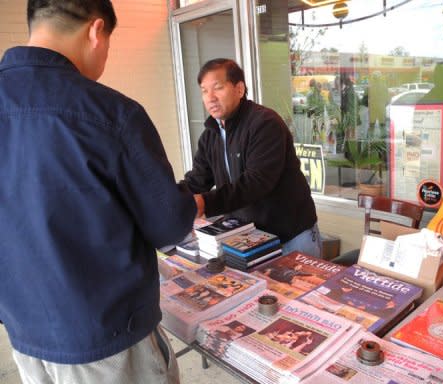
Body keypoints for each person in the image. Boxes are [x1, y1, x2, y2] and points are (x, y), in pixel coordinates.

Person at [0, 1, 197, 383]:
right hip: (109, 344)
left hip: (24, 336)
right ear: (95, 31)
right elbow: (170, 226)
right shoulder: (110, 113)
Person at [183, 58, 321, 257]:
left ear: (239, 89)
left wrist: (205, 202)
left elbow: (256, 182)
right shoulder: (210, 135)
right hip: (249, 240)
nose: (210, 97)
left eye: (218, 88)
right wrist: (171, 198)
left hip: (291, 237)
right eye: (204, 91)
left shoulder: (264, 123)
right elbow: (197, 180)